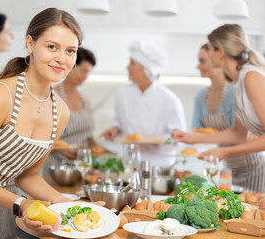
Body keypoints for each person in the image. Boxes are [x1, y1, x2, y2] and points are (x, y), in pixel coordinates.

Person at [0, 8, 102, 238]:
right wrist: (22, 204)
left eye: (70, 51)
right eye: (52, 47)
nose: (62, 59)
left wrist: (72, 205)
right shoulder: (1, 94)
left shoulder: (60, 112)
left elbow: (28, 176)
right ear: (31, 44)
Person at [173, 24, 265, 192]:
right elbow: (238, 133)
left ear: (220, 52)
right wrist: (192, 138)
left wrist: (225, 152)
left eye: (209, 49)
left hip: (257, 171)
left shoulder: (250, 77)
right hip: (236, 170)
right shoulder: (238, 81)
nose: (207, 54)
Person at [101, 41, 186, 166]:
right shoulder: (122, 93)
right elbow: (118, 120)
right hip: (130, 162)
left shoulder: (169, 99)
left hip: (159, 164)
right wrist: (114, 129)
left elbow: (180, 138)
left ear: (147, 70)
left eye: (132, 64)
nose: (127, 67)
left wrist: (163, 142)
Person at [46, 47, 104, 168]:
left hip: (83, 165)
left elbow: (87, 133)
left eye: (88, 72)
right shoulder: (52, 97)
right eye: (83, 71)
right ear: (71, 67)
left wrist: (97, 148)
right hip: (58, 166)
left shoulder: (85, 98)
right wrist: (57, 149)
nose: (86, 76)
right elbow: (40, 135)